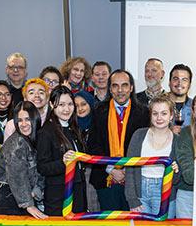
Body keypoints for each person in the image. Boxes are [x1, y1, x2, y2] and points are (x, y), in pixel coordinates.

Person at [87, 69, 149, 211]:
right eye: (115, 85)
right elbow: (93, 144)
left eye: (124, 85)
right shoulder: (98, 110)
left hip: (133, 180)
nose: (120, 90)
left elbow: (144, 147)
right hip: (105, 178)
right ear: (110, 88)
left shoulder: (143, 112)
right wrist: (111, 169)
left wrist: (127, 170)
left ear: (131, 88)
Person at [0, 102, 47, 218]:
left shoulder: (33, 139)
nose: (23, 124)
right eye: (19, 120)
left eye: (27, 119)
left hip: (18, 197)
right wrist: (28, 204)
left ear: (35, 119)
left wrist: (34, 192)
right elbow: (17, 175)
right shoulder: (17, 142)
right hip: (4, 198)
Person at [125, 95, 180, 216]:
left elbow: (176, 180)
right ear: (150, 115)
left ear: (171, 116)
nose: (159, 117)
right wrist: (132, 199)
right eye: (155, 113)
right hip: (140, 191)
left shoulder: (177, 141)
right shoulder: (138, 135)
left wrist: (175, 171)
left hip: (165, 193)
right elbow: (129, 169)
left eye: (164, 113)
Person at [38, 86, 88, 215]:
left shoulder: (75, 128)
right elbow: (42, 167)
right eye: (61, 104)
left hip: (78, 192)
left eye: (70, 104)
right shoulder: (46, 131)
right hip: (58, 197)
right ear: (51, 104)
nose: (66, 109)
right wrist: (63, 162)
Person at [74, 90, 100, 212]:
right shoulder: (71, 127)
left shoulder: (99, 124)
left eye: (83, 104)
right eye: (76, 106)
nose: (80, 108)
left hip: (95, 174)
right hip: (76, 176)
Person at [168, 64, 193, 134]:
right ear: (169, 82)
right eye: (176, 79)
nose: (179, 83)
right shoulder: (158, 105)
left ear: (189, 85)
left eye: (184, 80)